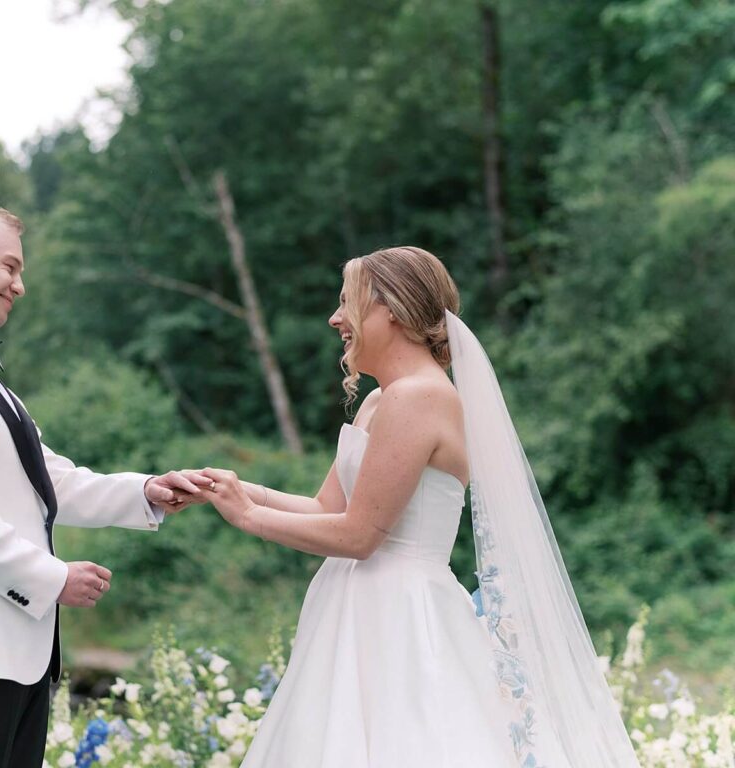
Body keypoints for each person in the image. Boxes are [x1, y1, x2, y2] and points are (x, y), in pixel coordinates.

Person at [194, 247, 640, 767]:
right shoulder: (383, 399)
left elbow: (360, 537)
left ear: (390, 309)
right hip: (353, 611)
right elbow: (325, 507)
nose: (335, 318)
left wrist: (249, 519)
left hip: (401, 619)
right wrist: (233, 489)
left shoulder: (420, 398)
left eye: (347, 302)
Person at [0, 199, 209, 768]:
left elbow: (48, 480)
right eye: (10, 266)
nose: (19, 284)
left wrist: (143, 490)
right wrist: (52, 578)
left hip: (13, 655)